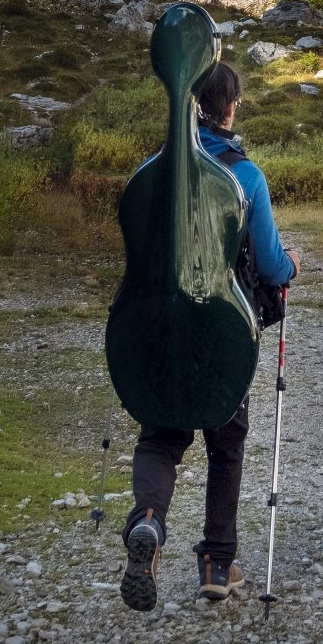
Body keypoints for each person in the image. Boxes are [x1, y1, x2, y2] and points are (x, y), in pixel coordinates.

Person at [122, 61, 297, 611]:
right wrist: (291, 266)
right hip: (223, 331)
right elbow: (269, 265)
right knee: (226, 442)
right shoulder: (246, 176)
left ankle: (147, 523)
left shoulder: (154, 168)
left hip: (160, 329)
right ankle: (218, 565)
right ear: (230, 107)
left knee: (160, 437)